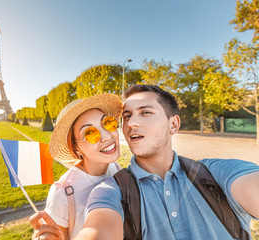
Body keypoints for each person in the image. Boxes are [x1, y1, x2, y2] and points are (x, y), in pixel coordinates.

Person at [72, 84, 259, 240]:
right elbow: (97, 229)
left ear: (174, 124)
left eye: (145, 113)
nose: (131, 123)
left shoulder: (216, 173)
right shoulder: (110, 191)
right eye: (127, 116)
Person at [30, 93, 123, 240]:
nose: (106, 136)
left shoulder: (116, 168)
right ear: (76, 148)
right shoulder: (62, 192)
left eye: (108, 123)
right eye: (90, 133)